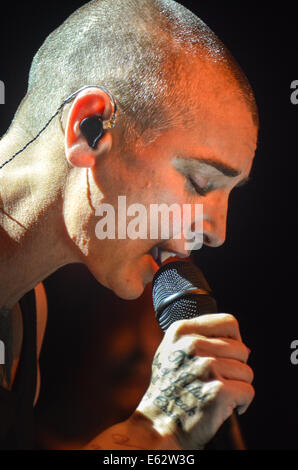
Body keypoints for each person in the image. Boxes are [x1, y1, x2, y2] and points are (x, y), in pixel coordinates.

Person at [0, 0, 258, 450]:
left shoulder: (25, 312)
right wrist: (155, 430)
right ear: (89, 128)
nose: (217, 232)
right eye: (200, 182)